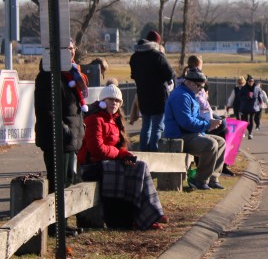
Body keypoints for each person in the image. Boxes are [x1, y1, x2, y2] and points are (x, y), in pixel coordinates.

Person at [78, 83, 167, 230]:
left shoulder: (115, 119)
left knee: (140, 167)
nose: (114, 103)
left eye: (117, 100)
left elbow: (118, 146)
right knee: (120, 170)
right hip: (92, 165)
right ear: (102, 101)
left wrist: (125, 154)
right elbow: (97, 149)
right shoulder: (94, 119)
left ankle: (150, 215)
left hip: (107, 162)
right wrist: (119, 154)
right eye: (110, 99)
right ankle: (124, 220)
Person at [34, 40, 86, 193]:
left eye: (72, 48)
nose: (71, 52)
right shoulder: (47, 76)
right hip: (58, 140)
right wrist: (66, 131)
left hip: (73, 140)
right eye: (66, 49)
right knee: (59, 188)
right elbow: (45, 111)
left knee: (70, 184)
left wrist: (79, 130)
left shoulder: (73, 74)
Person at [163, 68, 227, 190]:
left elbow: (194, 118)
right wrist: (208, 125)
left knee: (221, 142)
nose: (201, 89)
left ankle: (213, 178)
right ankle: (199, 180)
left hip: (189, 134)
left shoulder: (190, 95)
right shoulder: (181, 96)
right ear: (190, 82)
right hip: (178, 137)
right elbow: (186, 123)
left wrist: (209, 123)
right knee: (211, 144)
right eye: (199, 86)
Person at [129, 30, 175, 151]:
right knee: (157, 127)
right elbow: (170, 73)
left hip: (143, 96)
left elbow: (133, 75)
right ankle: (154, 152)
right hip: (158, 97)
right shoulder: (157, 55)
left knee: (146, 126)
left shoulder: (134, 57)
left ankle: (144, 151)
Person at [235, 74, 268, 140]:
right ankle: (248, 129)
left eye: (252, 81)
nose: (251, 82)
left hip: (253, 106)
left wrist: (260, 101)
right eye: (250, 81)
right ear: (247, 81)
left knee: (251, 119)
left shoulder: (257, 88)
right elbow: (239, 96)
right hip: (245, 106)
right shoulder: (243, 88)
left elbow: (260, 95)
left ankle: (250, 133)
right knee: (246, 120)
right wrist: (246, 97)